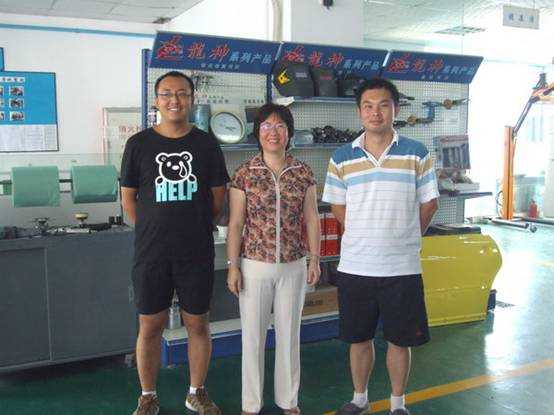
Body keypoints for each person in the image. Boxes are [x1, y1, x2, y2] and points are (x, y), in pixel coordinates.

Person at [322, 78, 439, 415]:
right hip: (356, 266)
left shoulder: (416, 152)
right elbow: (338, 205)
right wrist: (364, 232)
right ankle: (359, 399)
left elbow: (429, 202)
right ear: (359, 112)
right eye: (368, 106)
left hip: (401, 268)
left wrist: (406, 235)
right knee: (358, 338)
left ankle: (397, 404)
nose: (376, 113)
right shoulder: (342, 157)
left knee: (400, 340)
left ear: (395, 109)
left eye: (383, 105)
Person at [120, 71, 229, 415]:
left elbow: (217, 199)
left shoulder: (206, 144)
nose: (174, 100)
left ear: (192, 99)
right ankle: (148, 395)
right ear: (156, 101)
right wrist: (154, 228)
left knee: (198, 324)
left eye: (182, 93)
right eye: (166, 94)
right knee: (150, 326)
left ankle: (196, 392)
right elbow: (129, 200)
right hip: (151, 254)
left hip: (195, 252)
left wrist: (192, 227)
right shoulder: (138, 144)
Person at [226, 103, 321, 415]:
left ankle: (288, 401)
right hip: (254, 266)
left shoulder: (303, 173)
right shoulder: (245, 174)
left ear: (289, 133)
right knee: (253, 338)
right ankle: (251, 405)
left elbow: (312, 219)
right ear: (257, 133)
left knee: (289, 336)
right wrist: (233, 266)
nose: (273, 132)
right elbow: (236, 223)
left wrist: (315, 259)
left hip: (293, 266)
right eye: (266, 126)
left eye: (280, 126)